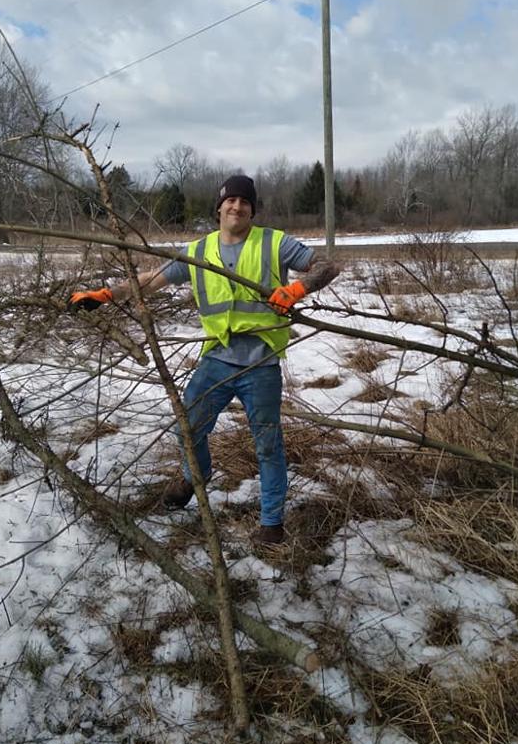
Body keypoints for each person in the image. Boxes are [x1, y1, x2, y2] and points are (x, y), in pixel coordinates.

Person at [70, 174, 338, 545]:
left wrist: (297, 288)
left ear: (252, 210)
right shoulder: (199, 251)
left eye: (245, 202)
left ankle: (271, 522)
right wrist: (106, 295)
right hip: (217, 358)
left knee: (268, 445)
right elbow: (151, 279)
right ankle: (194, 476)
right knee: (187, 427)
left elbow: (328, 266)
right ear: (219, 207)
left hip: (260, 362)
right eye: (231, 200)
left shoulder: (273, 242)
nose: (237, 206)